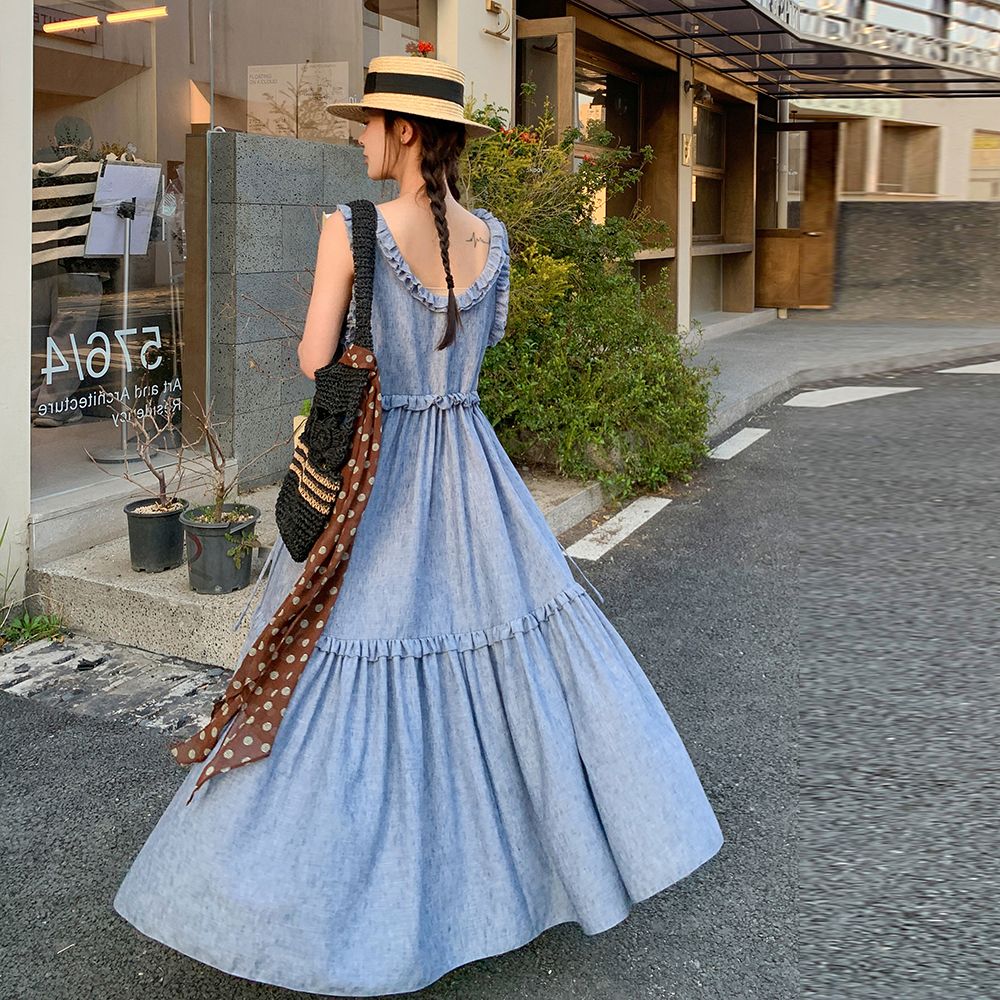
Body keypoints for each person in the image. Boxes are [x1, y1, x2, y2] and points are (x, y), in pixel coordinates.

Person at [113, 55, 723, 997]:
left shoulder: (351, 227)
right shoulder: (494, 238)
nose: (359, 137)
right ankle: (514, 880)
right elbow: (481, 345)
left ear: (402, 131)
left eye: (368, 123)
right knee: (504, 655)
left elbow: (317, 357)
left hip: (376, 478)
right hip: (473, 474)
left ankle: (331, 907)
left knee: (342, 658)